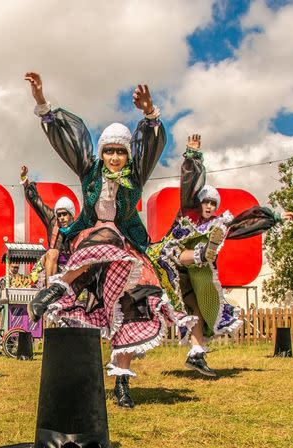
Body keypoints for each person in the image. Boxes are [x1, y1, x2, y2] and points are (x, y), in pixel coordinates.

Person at [24, 72, 195, 408]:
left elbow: (151, 147)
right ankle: (59, 287)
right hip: (92, 243)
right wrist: (42, 102)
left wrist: (149, 116)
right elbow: (68, 142)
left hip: (126, 248)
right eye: (110, 151)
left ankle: (121, 386)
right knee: (103, 235)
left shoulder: (135, 175)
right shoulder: (90, 173)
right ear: (101, 154)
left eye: (120, 151)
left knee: (131, 306)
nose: (115, 157)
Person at [149, 134, 293, 376]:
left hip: (189, 280)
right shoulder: (187, 213)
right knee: (177, 253)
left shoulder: (219, 224)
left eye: (212, 204)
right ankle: (203, 253)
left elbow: (245, 225)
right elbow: (188, 183)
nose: (208, 207)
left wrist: (275, 218)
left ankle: (196, 355)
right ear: (198, 202)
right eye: (205, 202)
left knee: (196, 311)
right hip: (167, 262)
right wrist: (192, 155)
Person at [20, 164, 75, 279]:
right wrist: (25, 180)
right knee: (53, 253)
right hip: (50, 264)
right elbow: (36, 201)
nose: (61, 218)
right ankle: (50, 292)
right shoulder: (52, 219)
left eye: (64, 214)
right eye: (59, 215)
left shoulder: (78, 228)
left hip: (69, 268)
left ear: (71, 215)